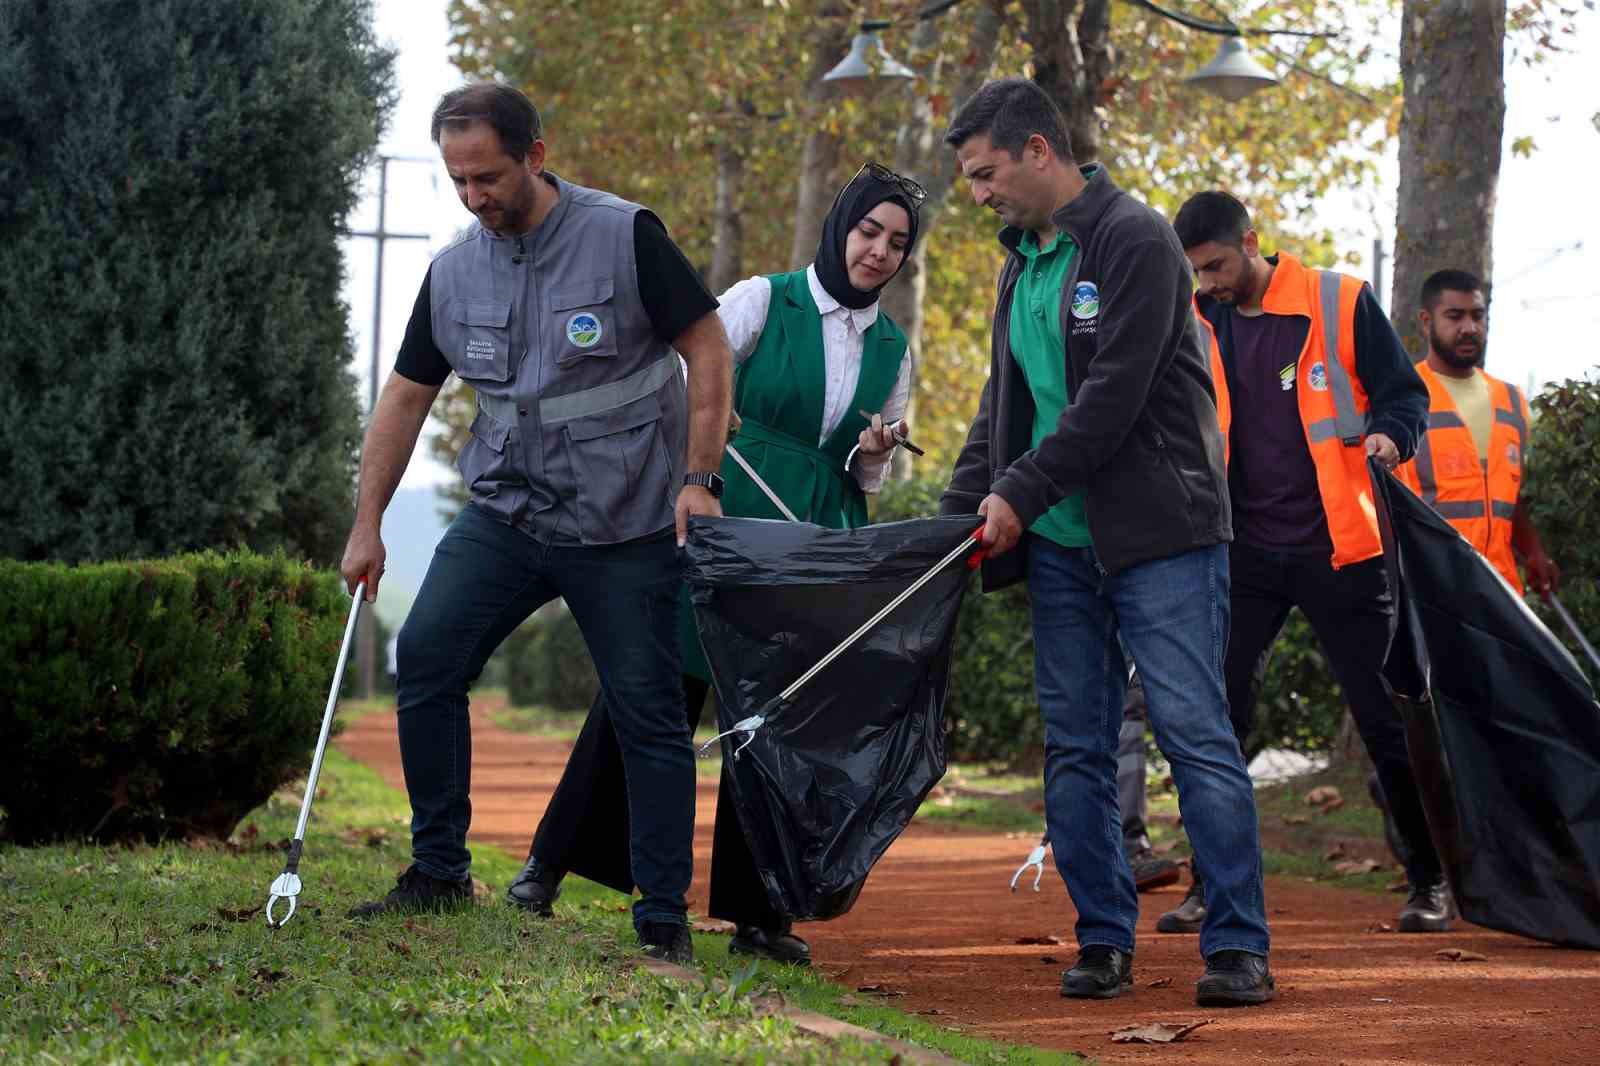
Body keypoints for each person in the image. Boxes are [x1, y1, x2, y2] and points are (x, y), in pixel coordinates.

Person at [338, 83, 733, 968]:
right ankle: (438, 870)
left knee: (648, 712)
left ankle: (661, 916)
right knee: (429, 657)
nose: (475, 197)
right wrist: (366, 524)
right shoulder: (453, 271)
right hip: (508, 515)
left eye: (488, 177)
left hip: (626, 524)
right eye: (458, 181)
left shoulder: (625, 235)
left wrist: (698, 478)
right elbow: (405, 397)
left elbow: (705, 345)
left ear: (535, 156)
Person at [508, 163, 924, 967]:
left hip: (810, 549)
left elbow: (865, 474)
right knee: (656, 696)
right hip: (726, 525)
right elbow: (685, 373)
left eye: (898, 243)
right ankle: (550, 864)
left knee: (771, 730)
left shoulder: (894, 349)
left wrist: (874, 452)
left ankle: (759, 916)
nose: (879, 252)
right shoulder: (763, 299)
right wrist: (710, 418)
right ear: (840, 228)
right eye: (870, 232)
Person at [939, 78, 1273, 1007]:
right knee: (1077, 748)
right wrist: (964, 508)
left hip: (1162, 535)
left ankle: (1238, 944)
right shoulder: (1024, 260)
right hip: (1058, 545)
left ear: (1040, 150)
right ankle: (1103, 940)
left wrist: (1017, 489)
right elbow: (1001, 408)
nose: (978, 194)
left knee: (1193, 735)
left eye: (985, 172)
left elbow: (1111, 401)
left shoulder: (1135, 240)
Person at [1171, 190, 1449, 936]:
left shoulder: (1340, 300)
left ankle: (1430, 879)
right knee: (1217, 719)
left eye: (1219, 266)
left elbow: (1404, 395)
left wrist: (1392, 438)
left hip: (1344, 550)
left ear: (1253, 241)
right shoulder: (1199, 320)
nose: (1210, 283)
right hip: (1244, 554)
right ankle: (1207, 884)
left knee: (1383, 719)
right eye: (1197, 272)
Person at [1395, 269, 1558, 595]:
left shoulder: (1512, 401)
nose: (1469, 328)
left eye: (1477, 316)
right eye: (1455, 317)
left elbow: (1509, 495)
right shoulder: (1405, 397)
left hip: (1503, 592)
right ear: (1426, 322)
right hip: (1434, 592)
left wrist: (1534, 551)